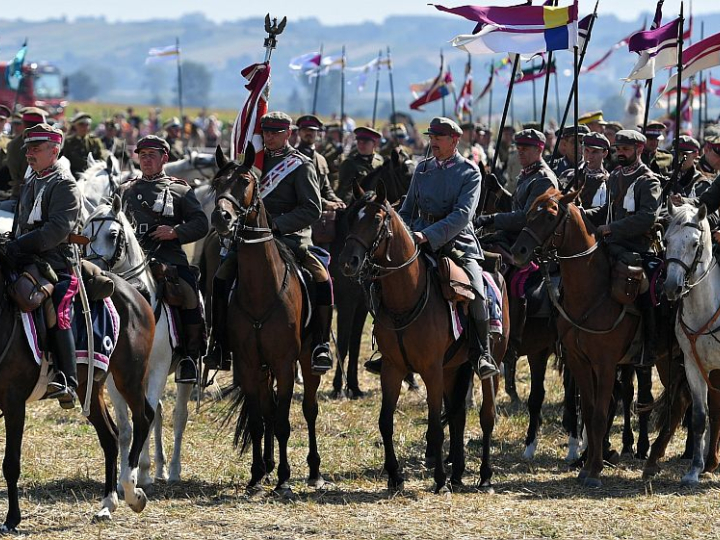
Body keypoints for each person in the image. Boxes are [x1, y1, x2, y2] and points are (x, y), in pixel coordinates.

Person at [206, 112, 334, 375]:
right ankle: (218, 343)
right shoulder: (252, 166)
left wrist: (277, 224)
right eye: (266, 132)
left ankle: (320, 343)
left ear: (289, 134)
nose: (270, 137)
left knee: (322, 278)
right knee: (220, 278)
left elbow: (312, 209)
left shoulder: (301, 165)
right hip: (251, 238)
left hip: (291, 237)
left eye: (276, 132)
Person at [391, 117, 500, 380]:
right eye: (431, 137)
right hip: (417, 237)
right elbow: (406, 210)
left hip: (456, 242)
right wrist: (403, 235)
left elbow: (462, 215)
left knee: (475, 288)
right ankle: (389, 347)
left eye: (439, 138)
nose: (433, 143)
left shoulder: (470, 172)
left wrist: (427, 235)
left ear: (454, 140)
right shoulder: (423, 168)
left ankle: (481, 352)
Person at [120, 135, 209, 383]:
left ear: (164, 158)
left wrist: (176, 232)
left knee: (190, 294)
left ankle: (190, 357)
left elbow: (201, 223)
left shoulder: (180, 189)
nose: (146, 160)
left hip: (167, 258)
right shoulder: (125, 189)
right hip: (130, 261)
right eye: (142, 155)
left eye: (152, 155)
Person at [6, 124, 82, 408]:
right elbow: (19, 224)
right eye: (27, 148)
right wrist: (9, 244)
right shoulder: (32, 181)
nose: (29, 153)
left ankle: (67, 379)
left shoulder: (64, 185)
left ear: (54, 151)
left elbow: (57, 230)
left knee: (56, 303)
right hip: (24, 257)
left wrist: (19, 246)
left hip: (55, 263)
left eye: (36, 149)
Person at [584, 130, 662, 366]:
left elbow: (647, 218)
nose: (620, 154)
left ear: (639, 150)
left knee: (648, 289)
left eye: (625, 150)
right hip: (611, 244)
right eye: (618, 149)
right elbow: (605, 210)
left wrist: (612, 228)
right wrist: (580, 215)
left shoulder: (648, 180)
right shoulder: (615, 177)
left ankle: (650, 344)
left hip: (638, 247)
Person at [296, 114, 345, 211]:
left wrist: (337, 201)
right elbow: (301, 192)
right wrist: (325, 203)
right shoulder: (293, 158)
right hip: (299, 211)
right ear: (299, 132)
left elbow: (326, 189)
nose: (308, 133)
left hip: (319, 213)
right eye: (305, 130)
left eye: (312, 130)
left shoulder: (321, 160)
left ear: (318, 133)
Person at [4, 107, 48, 210]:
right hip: (31, 198)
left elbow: (15, 174)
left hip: (22, 196)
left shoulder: (13, 145)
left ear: (23, 124)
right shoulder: (51, 144)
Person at [560, 132, 610, 209]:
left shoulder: (609, 181)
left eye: (595, 152)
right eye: (587, 150)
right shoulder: (568, 175)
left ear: (605, 153)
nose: (590, 156)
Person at [337, 126, 384, 204]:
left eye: (365, 143)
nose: (361, 146)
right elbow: (344, 191)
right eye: (359, 142)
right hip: (357, 204)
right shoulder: (349, 163)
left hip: (377, 204)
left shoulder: (380, 161)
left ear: (374, 144)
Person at [63, 112, 105, 178]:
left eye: (87, 124)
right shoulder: (68, 142)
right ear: (75, 125)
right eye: (81, 124)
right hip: (73, 177)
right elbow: (64, 161)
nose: (85, 127)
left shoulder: (95, 141)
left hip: (92, 177)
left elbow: (101, 159)